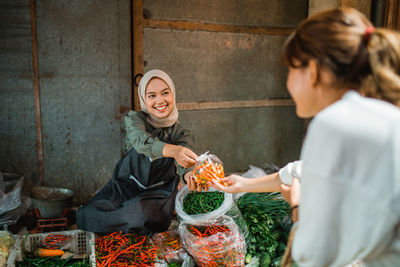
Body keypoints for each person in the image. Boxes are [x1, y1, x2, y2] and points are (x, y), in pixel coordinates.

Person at [213, 7, 400, 266]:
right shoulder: (382, 112)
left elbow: (315, 254)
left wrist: (300, 207)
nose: (287, 82)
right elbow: (304, 171)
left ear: (312, 70)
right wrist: (244, 185)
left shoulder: (334, 122)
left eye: (290, 69)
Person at [77, 69, 197, 234]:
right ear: (143, 99)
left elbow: (186, 160)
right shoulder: (136, 120)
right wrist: (173, 150)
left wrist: (189, 174)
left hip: (157, 193)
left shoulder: (181, 134)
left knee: (140, 215)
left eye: (165, 93)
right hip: (126, 186)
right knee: (87, 214)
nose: (160, 100)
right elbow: (140, 141)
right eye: (152, 96)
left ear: (173, 94)